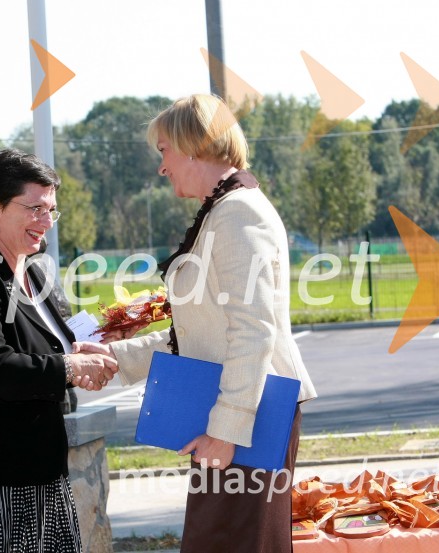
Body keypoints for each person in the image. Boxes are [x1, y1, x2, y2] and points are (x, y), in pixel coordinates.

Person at [77, 94, 317, 552]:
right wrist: (114, 356)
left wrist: (227, 432)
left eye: (164, 150)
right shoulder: (223, 211)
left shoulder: (239, 213)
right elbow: (196, 335)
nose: (162, 167)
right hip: (236, 414)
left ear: (193, 147)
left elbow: (253, 330)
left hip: (249, 418)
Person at [0, 148, 117, 552]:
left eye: (51, 210)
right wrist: (67, 365)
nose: (46, 222)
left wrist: (77, 349)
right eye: (35, 208)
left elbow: (41, 348)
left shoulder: (29, 270)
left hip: (38, 470)